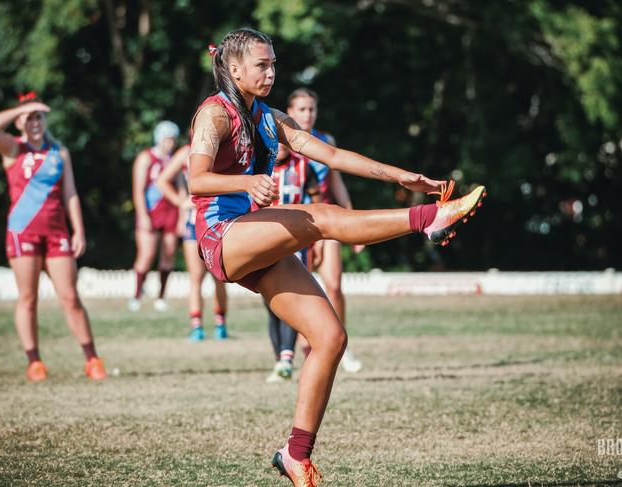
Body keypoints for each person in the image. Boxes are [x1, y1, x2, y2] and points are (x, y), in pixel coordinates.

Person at [191, 29, 485, 486]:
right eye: (261, 65)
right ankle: (428, 219)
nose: (271, 72)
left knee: (329, 338)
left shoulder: (270, 117)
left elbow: (330, 154)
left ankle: (295, 454)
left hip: (256, 238)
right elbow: (196, 180)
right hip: (222, 237)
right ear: (233, 69)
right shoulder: (214, 114)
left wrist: (401, 175)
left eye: (273, 64)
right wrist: (245, 184)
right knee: (322, 216)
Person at [0, 92, 106, 382]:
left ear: (45, 120)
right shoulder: (13, 148)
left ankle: (92, 358)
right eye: (29, 117)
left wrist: (79, 230)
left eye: (39, 116)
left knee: (70, 296)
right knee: (28, 298)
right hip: (22, 233)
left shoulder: (59, 152)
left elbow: (70, 193)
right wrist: (21, 110)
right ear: (19, 122)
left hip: (56, 232)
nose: (35, 121)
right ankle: (34, 361)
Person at [286, 88, 364, 373]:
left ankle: (342, 346)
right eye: (302, 109)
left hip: (327, 221)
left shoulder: (326, 140)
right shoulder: (283, 141)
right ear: (290, 112)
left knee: (333, 283)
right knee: (297, 290)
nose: (308, 114)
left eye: (312, 109)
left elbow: (338, 184)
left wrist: (355, 224)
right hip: (294, 222)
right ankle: (298, 349)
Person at [156, 143, 229, 341]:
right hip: (193, 223)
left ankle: (220, 323)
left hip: (218, 221)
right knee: (196, 278)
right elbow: (161, 181)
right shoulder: (186, 152)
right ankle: (197, 326)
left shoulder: (223, 149)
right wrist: (181, 202)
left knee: (219, 277)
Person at [265, 143, 321, 383]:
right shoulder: (257, 164)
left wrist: (318, 240)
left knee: (290, 297)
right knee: (270, 302)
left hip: (295, 237)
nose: (280, 146)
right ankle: (281, 359)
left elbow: (318, 200)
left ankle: (286, 359)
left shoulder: (303, 165)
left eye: (283, 140)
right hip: (264, 237)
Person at [128, 121, 181, 312]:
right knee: (147, 254)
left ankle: (161, 296)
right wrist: (143, 215)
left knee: (168, 254)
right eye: (167, 139)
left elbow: (181, 187)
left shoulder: (174, 159)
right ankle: (136, 295)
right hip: (151, 212)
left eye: (173, 139)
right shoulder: (146, 158)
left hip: (170, 213)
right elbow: (138, 190)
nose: (170, 143)